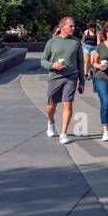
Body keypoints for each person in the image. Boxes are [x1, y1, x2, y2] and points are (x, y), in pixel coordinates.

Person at [41, 16, 84, 145]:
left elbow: (81, 62)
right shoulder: (52, 42)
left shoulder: (76, 42)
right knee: (51, 106)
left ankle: (63, 133)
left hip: (71, 77)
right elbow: (43, 60)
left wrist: (82, 81)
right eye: (70, 26)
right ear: (62, 27)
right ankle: (51, 122)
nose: (73, 28)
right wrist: (52, 65)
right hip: (55, 77)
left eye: (73, 26)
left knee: (68, 103)